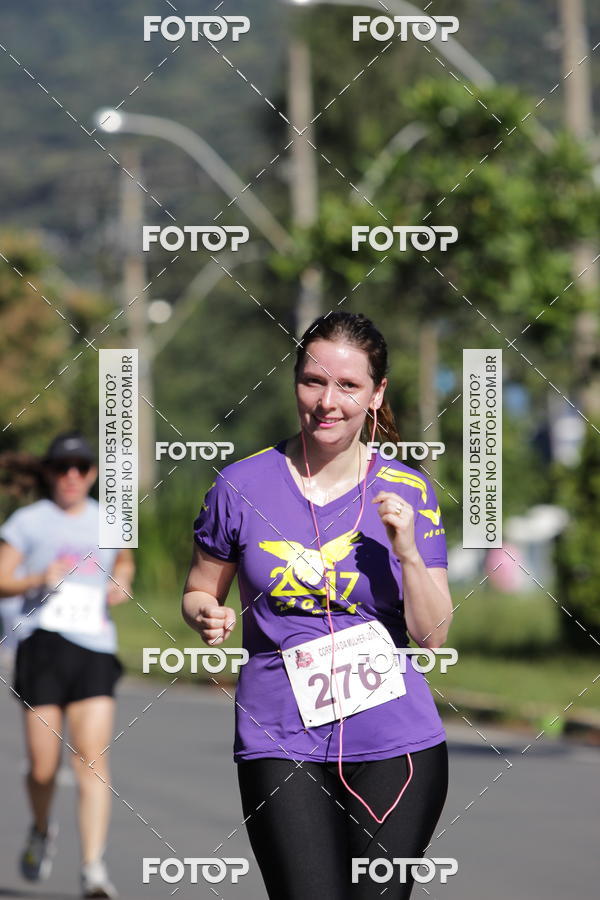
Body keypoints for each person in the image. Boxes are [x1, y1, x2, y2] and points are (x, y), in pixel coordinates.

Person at [182, 312, 453, 899]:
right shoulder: (241, 486)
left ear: (377, 394)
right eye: (313, 381)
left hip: (394, 742)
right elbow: (201, 588)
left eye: (349, 386)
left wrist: (406, 549)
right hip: (278, 735)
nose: (328, 401)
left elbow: (432, 634)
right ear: (296, 382)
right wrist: (206, 612)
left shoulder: (410, 491)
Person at [0, 432, 134, 899]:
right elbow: (1, 578)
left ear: (93, 473)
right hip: (41, 646)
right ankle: (41, 829)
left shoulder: (109, 520)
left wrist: (122, 583)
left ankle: (93, 868)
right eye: (62, 467)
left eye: (81, 467)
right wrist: (39, 577)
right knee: (43, 767)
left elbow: (125, 563)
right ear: (50, 473)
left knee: (92, 760)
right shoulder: (28, 522)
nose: (72, 476)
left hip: (94, 645)